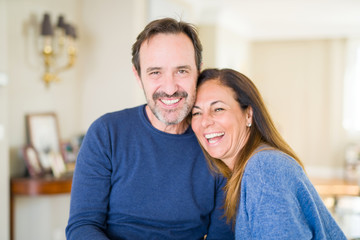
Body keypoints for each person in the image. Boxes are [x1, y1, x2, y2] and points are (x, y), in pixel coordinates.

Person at [65, 19, 234, 240]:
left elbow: (221, 237)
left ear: (198, 73)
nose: (170, 88)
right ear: (138, 76)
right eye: (155, 72)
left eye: (182, 71)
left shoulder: (215, 141)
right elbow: (83, 226)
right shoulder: (106, 133)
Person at [191, 68, 347, 239]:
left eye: (218, 109)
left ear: (249, 114)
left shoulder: (264, 168)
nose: (205, 121)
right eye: (196, 112)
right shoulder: (245, 171)